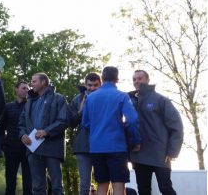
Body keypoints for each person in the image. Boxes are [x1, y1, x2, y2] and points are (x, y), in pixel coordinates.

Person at [81, 66, 141, 195]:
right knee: (119, 186)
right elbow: (132, 120)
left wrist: (97, 130)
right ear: (117, 79)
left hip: (96, 147)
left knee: (102, 186)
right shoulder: (122, 96)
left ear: (102, 79)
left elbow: (85, 123)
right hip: (116, 147)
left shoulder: (90, 98)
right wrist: (135, 141)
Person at [129, 70, 183, 195]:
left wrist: (173, 151)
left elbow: (176, 125)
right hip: (139, 154)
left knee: (165, 188)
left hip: (160, 154)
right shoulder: (130, 101)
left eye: (140, 78)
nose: (137, 81)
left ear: (147, 80)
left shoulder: (161, 100)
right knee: (143, 190)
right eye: (134, 79)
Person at [19, 72, 68, 195]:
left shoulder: (59, 98)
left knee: (57, 187)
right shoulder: (29, 102)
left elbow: (64, 121)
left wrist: (47, 131)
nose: (31, 84)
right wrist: (22, 135)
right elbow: (21, 123)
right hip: (33, 149)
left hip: (53, 148)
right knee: (37, 188)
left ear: (43, 82)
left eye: (34, 81)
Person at [68, 73, 101, 195]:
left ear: (100, 84)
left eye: (95, 85)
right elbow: (71, 122)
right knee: (84, 183)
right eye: (89, 85)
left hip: (102, 145)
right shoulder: (78, 99)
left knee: (103, 180)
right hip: (83, 145)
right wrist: (82, 108)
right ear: (85, 84)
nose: (92, 88)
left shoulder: (105, 98)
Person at [0, 80, 32, 195]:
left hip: (28, 148)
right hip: (11, 148)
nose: (27, 90)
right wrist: (3, 145)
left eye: (28, 88)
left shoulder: (31, 106)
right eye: (24, 88)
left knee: (29, 182)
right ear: (16, 90)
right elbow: (1, 127)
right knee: (10, 181)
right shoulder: (8, 107)